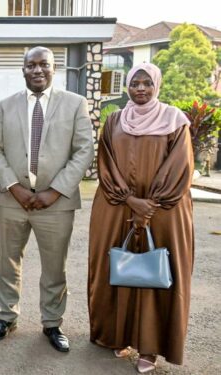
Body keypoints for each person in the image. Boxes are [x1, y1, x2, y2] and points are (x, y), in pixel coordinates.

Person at [88, 63, 193, 373]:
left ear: (156, 85)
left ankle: (150, 347)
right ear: (128, 87)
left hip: (164, 211)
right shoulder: (115, 121)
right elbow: (105, 161)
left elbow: (180, 167)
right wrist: (130, 200)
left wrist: (151, 205)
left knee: (155, 274)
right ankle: (120, 336)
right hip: (117, 205)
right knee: (119, 268)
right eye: (135, 83)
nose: (141, 89)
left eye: (147, 83)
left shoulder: (175, 120)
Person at [0, 46, 94, 352]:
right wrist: (13, 187)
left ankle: (52, 323)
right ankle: (7, 317)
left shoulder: (75, 104)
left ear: (54, 68)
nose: (37, 70)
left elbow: (84, 150)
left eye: (43, 65)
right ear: (23, 70)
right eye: (31, 65)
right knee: (8, 263)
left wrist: (55, 191)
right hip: (12, 200)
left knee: (54, 267)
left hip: (56, 204)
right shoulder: (6, 106)